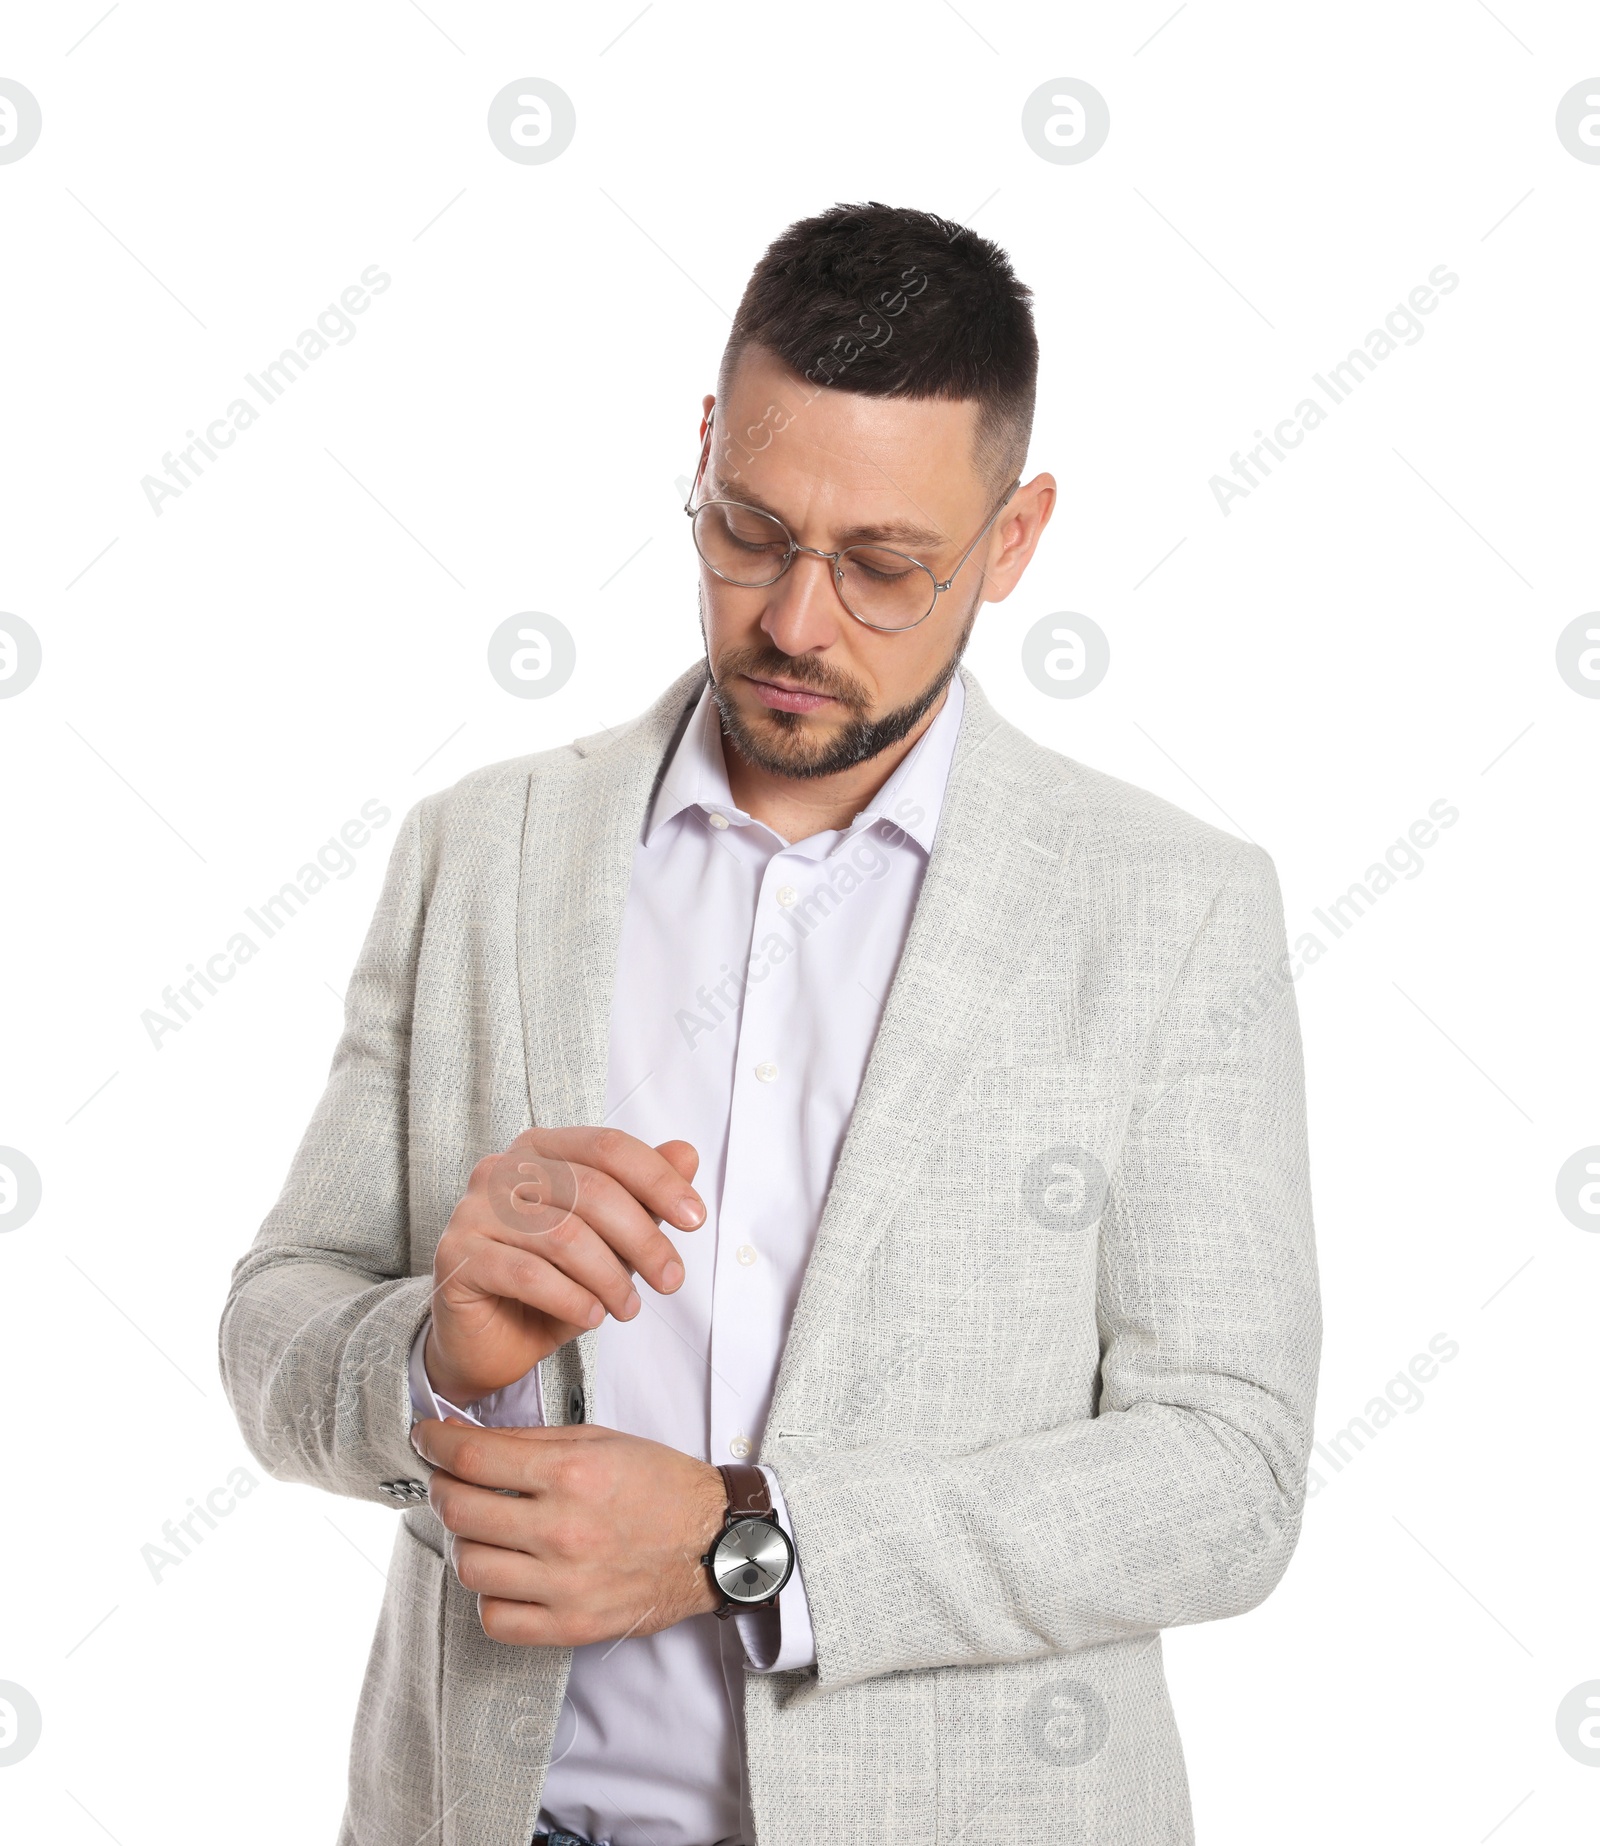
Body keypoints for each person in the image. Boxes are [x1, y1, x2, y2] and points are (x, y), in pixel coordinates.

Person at [221, 200, 1320, 1846]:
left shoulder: (1170, 909)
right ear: (706, 453)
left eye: (883, 565)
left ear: (1011, 542)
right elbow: (276, 1328)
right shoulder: (485, 849)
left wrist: (751, 1538)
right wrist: (442, 1360)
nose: (797, 622)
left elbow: (1230, 1475)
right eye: (749, 529)